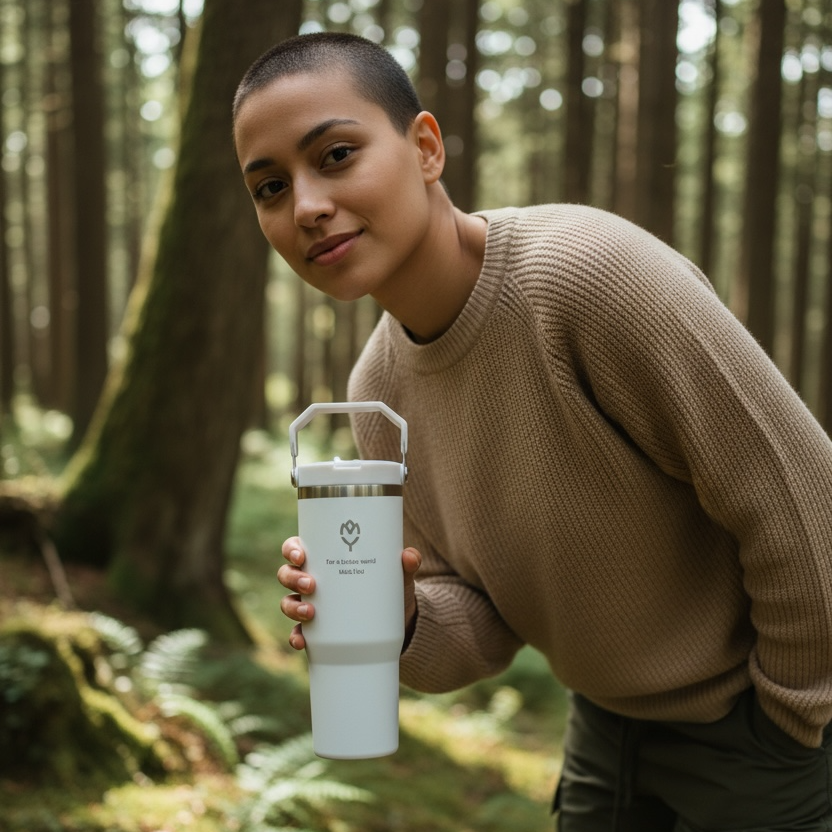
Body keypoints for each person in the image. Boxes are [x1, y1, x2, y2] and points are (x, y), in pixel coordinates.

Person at [233, 31, 832, 831]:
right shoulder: (375, 393)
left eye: (335, 155)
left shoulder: (590, 278)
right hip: (605, 733)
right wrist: (402, 615)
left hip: (761, 733)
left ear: (425, 148)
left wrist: (793, 713)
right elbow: (483, 621)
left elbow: (804, 499)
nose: (305, 205)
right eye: (270, 187)